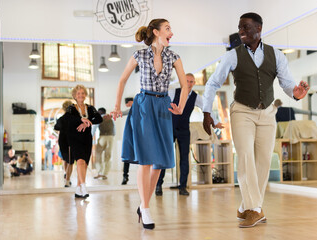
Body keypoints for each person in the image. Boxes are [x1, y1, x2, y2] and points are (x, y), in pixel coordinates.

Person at [202, 12, 310, 228]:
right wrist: (206, 112)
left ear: (259, 29)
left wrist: (297, 93)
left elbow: (288, 84)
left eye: (246, 27)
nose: (242, 31)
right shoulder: (232, 56)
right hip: (242, 111)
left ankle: (246, 207)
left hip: (267, 113)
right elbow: (213, 83)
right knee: (245, 157)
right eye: (240, 27)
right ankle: (255, 209)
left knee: (262, 161)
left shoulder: (276, 55)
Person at [111, 18, 188, 230]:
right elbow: (122, 80)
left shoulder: (174, 56)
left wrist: (180, 106)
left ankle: (144, 204)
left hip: (163, 105)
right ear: (155, 32)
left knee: (160, 162)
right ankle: (145, 208)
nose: (171, 32)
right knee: (145, 160)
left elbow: (184, 85)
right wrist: (117, 106)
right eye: (168, 28)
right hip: (143, 105)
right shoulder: (139, 54)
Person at [155, 73, 224, 196]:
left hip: (184, 130)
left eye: (192, 81)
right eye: (187, 81)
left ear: (194, 83)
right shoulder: (172, 92)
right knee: (165, 157)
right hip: (169, 128)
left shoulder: (195, 97)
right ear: (183, 81)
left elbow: (206, 108)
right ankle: (158, 185)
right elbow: (161, 106)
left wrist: (216, 122)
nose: (189, 83)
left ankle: (182, 187)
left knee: (184, 159)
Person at [67, 85, 103, 198]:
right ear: (74, 96)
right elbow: (68, 120)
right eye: (78, 93)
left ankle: (78, 189)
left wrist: (86, 121)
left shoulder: (90, 108)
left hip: (87, 138)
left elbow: (99, 118)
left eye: (83, 93)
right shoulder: (71, 108)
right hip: (75, 138)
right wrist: (80, 119)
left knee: (84, 164)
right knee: (80, 162)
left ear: (85, 95)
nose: (81, 95)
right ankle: (83, 186)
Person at [54, 100, 74, 187]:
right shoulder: (75, 118)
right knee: (71, 161)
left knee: (65, 159)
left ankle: (66, 174)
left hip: (62, 140)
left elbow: (56, 127)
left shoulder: (61, 119)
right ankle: (67, 180)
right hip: (72, 140)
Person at [92, 107, 115, 180]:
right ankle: (105, 174)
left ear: (100, 112)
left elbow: (94, 129)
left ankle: (99, 172)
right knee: (108, 156)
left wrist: (90, 137)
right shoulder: (110, 118)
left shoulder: (99, 118)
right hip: (110, 137)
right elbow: (114, 129)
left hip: (102, 137)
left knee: (98, 155)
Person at [121, 97, 133, 185]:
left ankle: (125, 175)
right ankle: (125, 176)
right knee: (127, 156)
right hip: (131, 134)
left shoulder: (140, 106)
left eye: (128, 104)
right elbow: (124, 112)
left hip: (140, 135)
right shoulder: (131, 110)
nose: (127, 106)